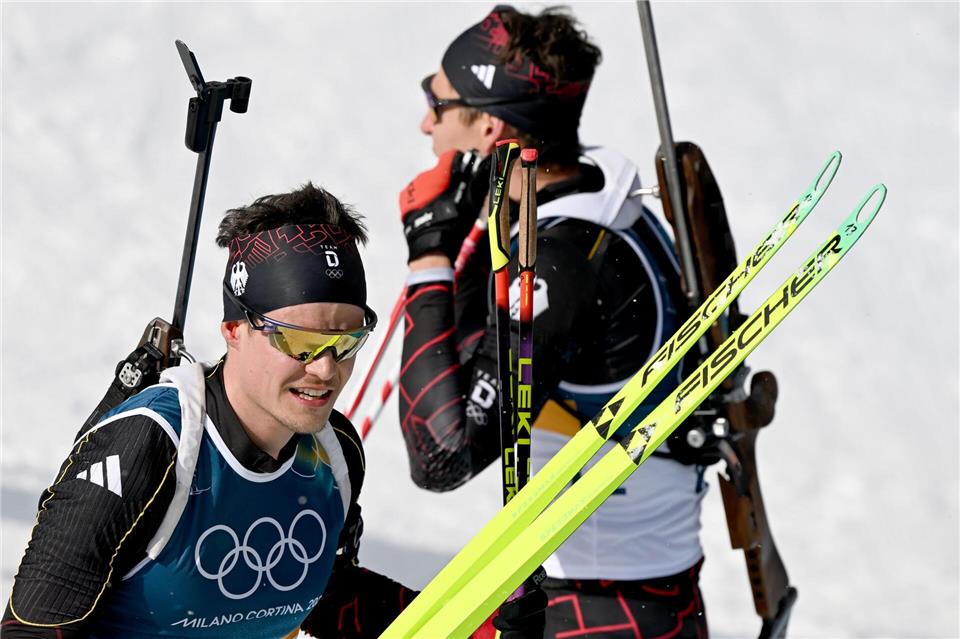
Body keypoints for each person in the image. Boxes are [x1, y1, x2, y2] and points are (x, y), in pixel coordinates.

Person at [397, 5, 710, 638]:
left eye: (437, 101)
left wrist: (428, 256)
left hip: (601, 603)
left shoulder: (560, 265)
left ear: (489, 128)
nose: (425, 121)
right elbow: (473, 355)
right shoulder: (590, 190)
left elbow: (441, 457)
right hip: (627, 586)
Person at [2, 184, 418, 638]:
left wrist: (473, 622)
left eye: (347, 342)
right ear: (234, 329)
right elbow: (31, 630)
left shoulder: (335, 451)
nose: (325, 369)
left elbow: (320, 593)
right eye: (299, 342)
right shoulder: (151, 442)